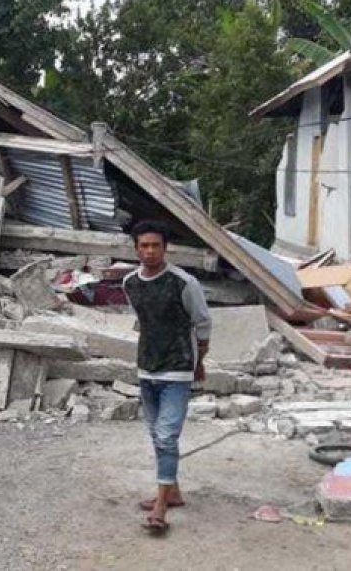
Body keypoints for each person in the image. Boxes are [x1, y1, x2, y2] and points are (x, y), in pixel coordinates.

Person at [121, 220, 212, 534]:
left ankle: (160, 506)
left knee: (166, 435)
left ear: (165, 248)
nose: (149, 251)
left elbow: (202, 326)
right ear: (136, 248)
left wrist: (199, 362)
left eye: (155, 245)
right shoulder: (130, 283)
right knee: (155, 433)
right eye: (143, 245)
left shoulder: (184, 283)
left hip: (177, 369)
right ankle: (171, 491)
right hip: (146, 367)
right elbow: (143, 321)